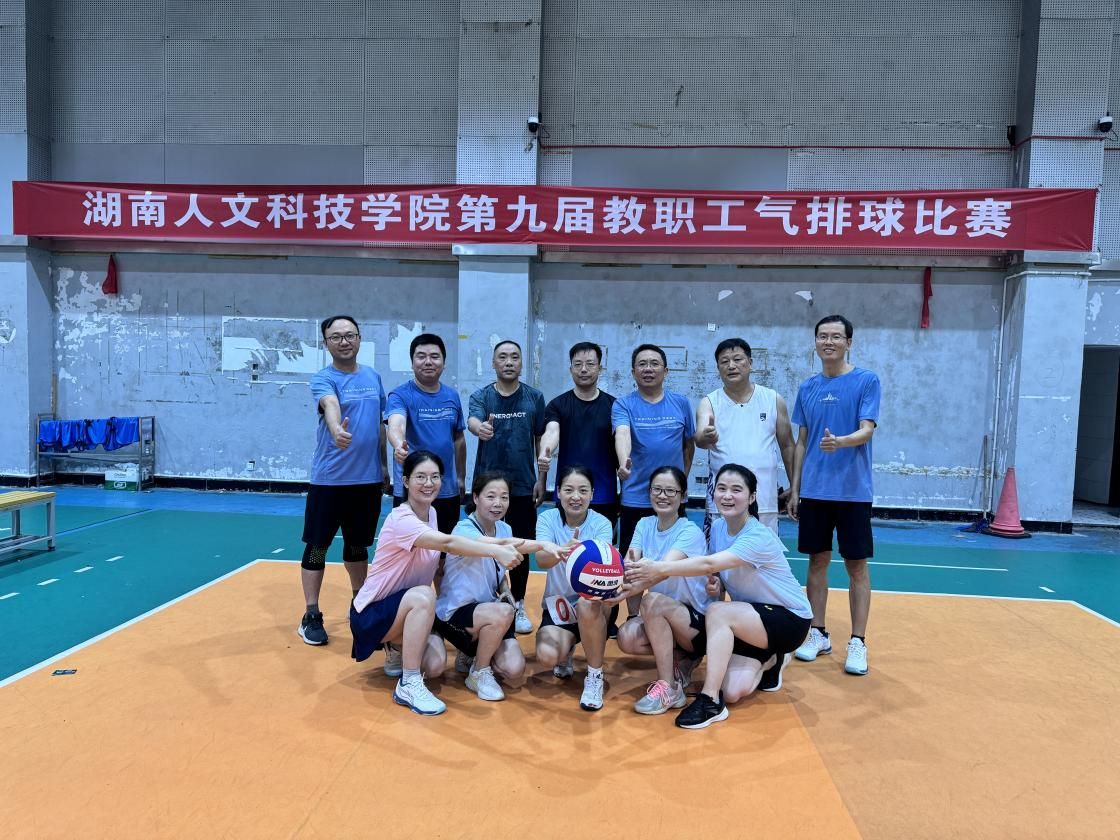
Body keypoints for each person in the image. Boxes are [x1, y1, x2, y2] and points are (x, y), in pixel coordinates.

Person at [625, 464, 813, 730]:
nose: (727, 495)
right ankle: (773, 658)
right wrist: (717, 586)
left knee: (718, 612)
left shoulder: (758, 536)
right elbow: (716, 573)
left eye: (736, 490)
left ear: (751, 497)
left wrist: (659, 569)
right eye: (722, 488)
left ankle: (710, 701)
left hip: (789, 618)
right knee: (733, 691)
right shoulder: (719, 528)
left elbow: (708, 563)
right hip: (749, 621)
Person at [350, 450, 521, 716]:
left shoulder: (430, 514)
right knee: (423, 595)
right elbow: (448, 543)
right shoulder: (401, 519)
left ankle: (397, 647)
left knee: (435, 665)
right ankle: (408, 683)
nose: (428, 483)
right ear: (405, 481)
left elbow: (438, 568)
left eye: (435, 477)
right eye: (420, 477)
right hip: (373, 612)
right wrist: (496, 551)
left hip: (405, 609)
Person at [788, 315, 881, 676]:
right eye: (823, 336)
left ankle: (858, 641)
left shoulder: (866, 381)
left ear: (848, 342)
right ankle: (818, 632)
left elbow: (867, 430)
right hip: (814, 491)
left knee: (856, 565)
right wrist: (795, 488)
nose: (829, 342)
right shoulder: (808, 387)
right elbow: (801, 441)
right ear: (815, 342)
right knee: (817, 562)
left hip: (853, 492)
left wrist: (840, 442)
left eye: (836, 337)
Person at [298, 315, 389, 647]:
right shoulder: (324, 378)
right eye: (336, 337)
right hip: (329, 481)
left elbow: (380, 424)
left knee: (357, 547)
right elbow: (330, 404)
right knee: (317, 547)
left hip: (367, 481)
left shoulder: (373, 377)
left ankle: (359, 606)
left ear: (360, 338)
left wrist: (384, 466)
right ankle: (311, 614)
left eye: (349, 335)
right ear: (326, 344)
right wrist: (336, 429)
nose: (344, 341)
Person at [435, 472, 564, 702]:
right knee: (504, 612)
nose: (498, 503)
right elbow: (499, 545)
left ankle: (470, 654)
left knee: (514, 668)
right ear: (476, 497)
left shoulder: (504, 528)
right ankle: (479, 672)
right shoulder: (463, 529)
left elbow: (497, 567)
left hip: (485, 612)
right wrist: (543, 544)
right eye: (491, 496)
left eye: (504, 497)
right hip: (455, 614)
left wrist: (504, 588)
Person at [608, 465, 710, 716]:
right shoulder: (644, 525)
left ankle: (669, 687)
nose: (662, 496)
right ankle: (683, 661)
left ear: (683, 497)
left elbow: (660, 570)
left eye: (670, 491)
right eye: (657, 490)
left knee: (652, 601)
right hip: (663, 617)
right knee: (626, 636)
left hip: (695, 624)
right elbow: (630, 566)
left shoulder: (690, 532)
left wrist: (624, 589)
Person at [468, 340, 547, 634]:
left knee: (520, 549)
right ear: (494, 363)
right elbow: (473, 420)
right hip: (488, 488)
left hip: (523, 487)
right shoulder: (481, 396)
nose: (509, 362)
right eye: (503, 357)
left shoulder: (534, 398)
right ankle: (488, 600)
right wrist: (480, 428)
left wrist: (542, 478)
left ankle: (519, 603)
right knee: (485, 547)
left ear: (522, 363)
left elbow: (540, 439)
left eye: (515, 357)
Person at [533, 465, 616, 711]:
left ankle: (594, 676)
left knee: (587, 603)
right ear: (558, 492)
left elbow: (602, 571)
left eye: (583, 490)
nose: (575, 497)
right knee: (547, 656)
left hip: (593, 603)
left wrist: (581, 555)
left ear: (592, 494)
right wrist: (562, 551)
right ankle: (566, 649)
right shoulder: (547, 519)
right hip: (559, 605)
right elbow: (541, 560)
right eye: (568, 490)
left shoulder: (601, 524)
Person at [695, 337, 794, 539]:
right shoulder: (709, 402)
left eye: (738, 359)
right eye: (724, 361)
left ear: (750, 363)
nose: (731, 365)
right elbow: (700, 438)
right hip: (722, 502)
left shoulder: (773, 399)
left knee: (763, 555)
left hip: (765, 499)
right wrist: (706, 435)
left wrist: (796, 487)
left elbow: (787, 446)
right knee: (719, 556)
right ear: (718, 368)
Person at [613, 344, 696, 558]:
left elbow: (689, 445)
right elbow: (622, 433)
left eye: (654, 364)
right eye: (642, 364)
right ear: (633, 372)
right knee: (631, 562)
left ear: (665, 371)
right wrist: (623, 462)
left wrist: (681, 481)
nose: (648, 369)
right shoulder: (623, 404)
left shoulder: (681, 403)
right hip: (635, 497)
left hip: (672, 498)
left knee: (675, 561)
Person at [386, 333, 466, 536]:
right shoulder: (400, 395)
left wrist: (461, 477)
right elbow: (396, 424)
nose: (428, 362)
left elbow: (458, 439)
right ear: (412, 362)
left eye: (434, 356)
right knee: (411, 547)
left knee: (446, 547)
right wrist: (398, 444)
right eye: (421, 356)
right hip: (413, 490)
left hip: (446, 489)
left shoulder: (452, 396)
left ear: (444, 363)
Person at [535, 341, 619, 534]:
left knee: (600, 549)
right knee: (565, 546)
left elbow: (622, 443)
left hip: (604, 494)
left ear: (600, 368)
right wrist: (545, 454)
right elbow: (552, 431)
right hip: (568, 495)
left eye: (590, 364)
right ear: (570, 369)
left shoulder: (614, 406)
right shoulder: (557, 405)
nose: (583, 369)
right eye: (578, 364)